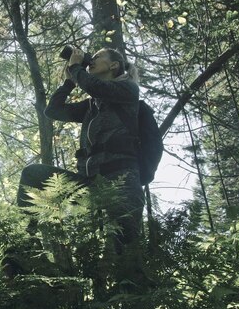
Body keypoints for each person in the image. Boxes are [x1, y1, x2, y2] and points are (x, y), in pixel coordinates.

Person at [16, 47, 144, 254]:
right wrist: (69, 82)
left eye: (97, 57)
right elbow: (53, 111)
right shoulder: (91, 106)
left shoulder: (128, 90)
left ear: (114, 65)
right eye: (90, 58)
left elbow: (97, 88)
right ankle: (24, 241)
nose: (91, 61)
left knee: (124, 249)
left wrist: (77, 67)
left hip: (122, 181)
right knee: (32, 174)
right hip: (89, 182)